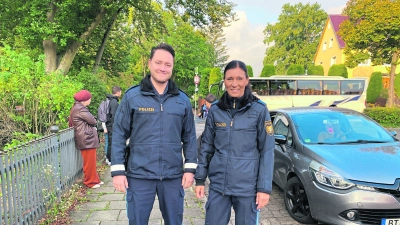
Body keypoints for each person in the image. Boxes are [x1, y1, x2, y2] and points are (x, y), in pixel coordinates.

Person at [111, 43, 197, 225]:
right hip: (139, 175)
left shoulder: (182, 100)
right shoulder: (132, 97)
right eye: (159, 62)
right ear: (150, 63)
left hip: (173, 176)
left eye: (168, 65)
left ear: (172, 67)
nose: (163, 68)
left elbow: (189, 137)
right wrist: (118, 171)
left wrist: (189, 169)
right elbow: (118, 133)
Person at [195, 60, 275, 225]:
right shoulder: (216, 110)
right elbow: (207, 147)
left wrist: (264, 188)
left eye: (239, 79)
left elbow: (267, 150)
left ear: (247, 80)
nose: (234, 84)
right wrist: (200, 179)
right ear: (224, 81)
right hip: (218, 186)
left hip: (247, 189)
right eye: (230, 79)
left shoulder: (259, 110)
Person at [68, 90, 103, 189]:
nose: (90, 100)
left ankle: (95, 180)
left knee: (91, 161)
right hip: (86, 138)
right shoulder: (81, 109)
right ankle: (90, 182)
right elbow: (92, 121)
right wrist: (94, 118)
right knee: (89, 162)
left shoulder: (77, 107)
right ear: (85, 100)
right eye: (89, 98)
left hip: (86, 138)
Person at [105, 86, 122, 165]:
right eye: (120, 92)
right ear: (118, 92)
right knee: (112, 142)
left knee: (110, 142)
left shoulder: (110, 100)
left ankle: (109, 158)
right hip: (112, 125)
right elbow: (114, 115)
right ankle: (110, 159)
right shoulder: (114, 102)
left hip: (109, 124)